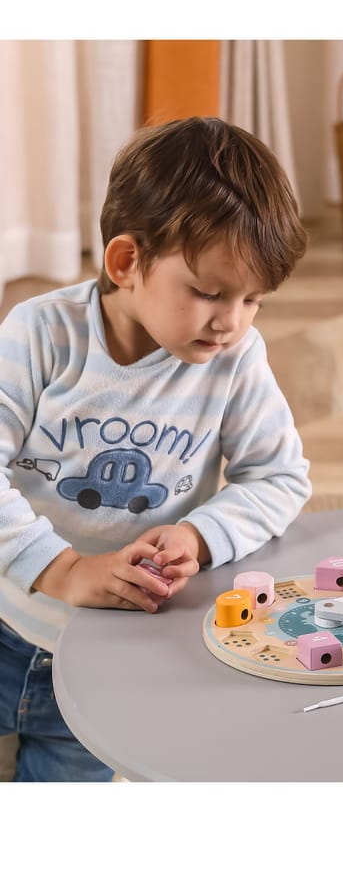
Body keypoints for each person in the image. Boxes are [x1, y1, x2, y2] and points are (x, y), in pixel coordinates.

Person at [0, 117, 312, 781]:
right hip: (7, 615)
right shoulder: (40, 334)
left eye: (254, 300)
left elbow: (279, 476)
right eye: (209, 293)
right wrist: (59, 569)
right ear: (127, 263)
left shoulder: (235, 358)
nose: (231, 322)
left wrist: (200, 536)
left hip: (113, 656)